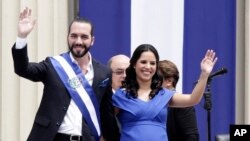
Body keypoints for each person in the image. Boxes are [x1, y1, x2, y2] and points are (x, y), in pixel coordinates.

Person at [12, 7, 110, 141]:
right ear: (68, 38)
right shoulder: (53, 65)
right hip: (52, 137)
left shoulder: (103, 73)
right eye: (74, 36)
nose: (78, 41)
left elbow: (106, 113)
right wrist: (22, 37)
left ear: (92, 40)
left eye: (84, 37)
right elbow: (22, 69)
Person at [112, 44, 217, 141]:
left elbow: (193, 99)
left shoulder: (164, 94)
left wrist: (204, 74)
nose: (148, 67)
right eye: (143, 62)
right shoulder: (121, 95)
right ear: (134, 64)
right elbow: (106, 125)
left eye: (152, 63)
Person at [158, 60, 199, 141]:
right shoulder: (152, 103)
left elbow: (191, 138)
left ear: (169, 81)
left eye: (155, 78)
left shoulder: (183, 106)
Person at [100, 54, 130, 141]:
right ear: (108, 75)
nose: (125, 76)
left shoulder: (141, 100)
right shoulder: (100, 100)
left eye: (129, 72)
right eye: (119, 72)